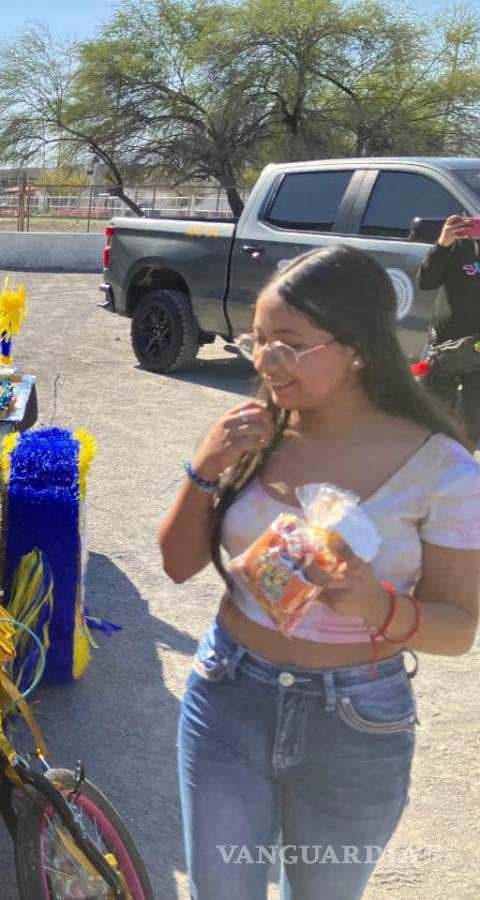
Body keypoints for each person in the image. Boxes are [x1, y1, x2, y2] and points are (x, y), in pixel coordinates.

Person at [158, 245, 479, 899]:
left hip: (355, 724)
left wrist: (373, 602)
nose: (262, 361)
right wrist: (205, 466)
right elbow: (178, 563)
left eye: (289, 344)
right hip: (227, 696)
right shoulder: (256, 432)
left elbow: (459, 627)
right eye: (259, 339)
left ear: (357, 349)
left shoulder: (443, 469)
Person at [416, 214, 480, 447]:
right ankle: (418, 472)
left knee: (471, 426)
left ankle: (459, 478)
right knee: (428, 419)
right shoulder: (458, 245)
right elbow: (426, 281)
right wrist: (443, 243)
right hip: (446, 346)